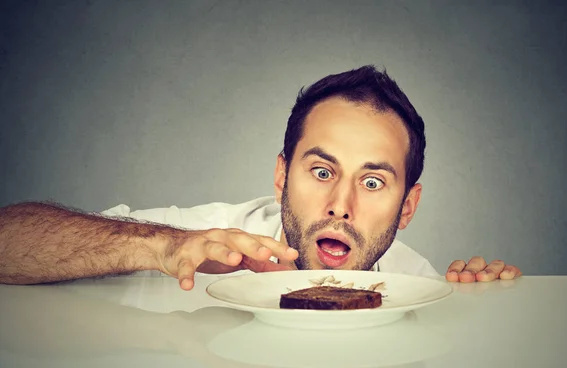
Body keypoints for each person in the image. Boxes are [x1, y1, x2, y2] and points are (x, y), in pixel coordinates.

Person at [0, 65, 521, 290]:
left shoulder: (419, 286)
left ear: (407, 207)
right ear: (281, 175)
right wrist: (158, 248)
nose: (341, 205)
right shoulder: (203, 243)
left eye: (372, 182)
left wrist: (482, 308)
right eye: (321, 171)